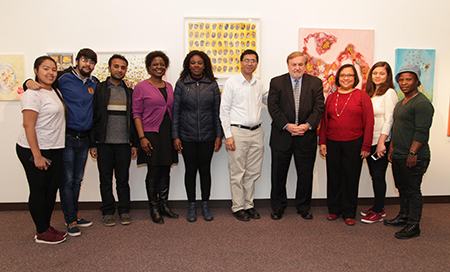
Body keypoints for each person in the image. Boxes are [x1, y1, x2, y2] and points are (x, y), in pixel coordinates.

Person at [24, 48, 98, 236]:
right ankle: (70, 219)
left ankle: (74, 214)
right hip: (66, 138)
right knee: (66, 181)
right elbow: (42, 83)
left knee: (77, 180)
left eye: (91, 62)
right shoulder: (63, 78)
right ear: (78, 61)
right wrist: (27, 82)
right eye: (84, 60)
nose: (87, 64)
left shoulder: (94, 83)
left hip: (85, 138)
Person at [268, 51, 324, 220]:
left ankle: (304, 207)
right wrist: (287, 126)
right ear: (288, 65)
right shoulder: (277, 82)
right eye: (294, 64)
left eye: (300, 64)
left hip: (306, 136)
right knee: (278, 175)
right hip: (282, 136)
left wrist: (307, 126)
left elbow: (319, 108)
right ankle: (278, 207)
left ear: (305, 66)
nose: (297, 67)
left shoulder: (315, 83)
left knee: (305, 175)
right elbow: (273, 107)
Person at [16, 56, 67, 244]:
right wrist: (36, 155)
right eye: (46, 68)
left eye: (54, 69)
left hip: (54, 147)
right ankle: (41, 232)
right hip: (34, 149)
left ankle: (45, 225)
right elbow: (29, 126)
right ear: (36, 70)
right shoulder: (32, 93)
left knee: (51, 189)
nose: (51, 72)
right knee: (39, 190)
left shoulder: (53, 90)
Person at [319, 64, 374, 226]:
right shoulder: (331, 97)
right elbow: (325, 121)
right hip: (332, 142)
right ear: (338, 78)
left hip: (354, 143)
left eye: (350, 75)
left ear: (355, 78)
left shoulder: (362, 96)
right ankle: (334, 209)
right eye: (343, 75)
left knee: (350, 178)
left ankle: (349, 212)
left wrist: (366, 146)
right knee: (334, 177)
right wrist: (322, 142)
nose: (346, 78)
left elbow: (369, 122)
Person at [172, 50, 223, 222]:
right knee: (190, 171)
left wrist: (218, 135)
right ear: (188, 65)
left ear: (205, 65)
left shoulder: (212, 85)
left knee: (205, 171)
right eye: (193, 62)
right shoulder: (181, 84)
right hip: (186, 135)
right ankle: (192, 206)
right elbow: (176, 112)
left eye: (199, 63)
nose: (196, 65)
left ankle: (206, 206)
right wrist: (175, 136)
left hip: (208, 135)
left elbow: (217, 112)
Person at [384, 64, 434, 239]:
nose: (404, 83)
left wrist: (413, 153)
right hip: (398, 154)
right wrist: (392, 148)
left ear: (417, 81)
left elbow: (422, 131)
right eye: (401, 79)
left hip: (414, 156)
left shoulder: (422, 103)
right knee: (402, 188)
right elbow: (397, 127)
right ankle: (404, 217)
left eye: (408, 79)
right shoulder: (401, 103)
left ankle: (414, 225)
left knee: (413, 191)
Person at [89, 54, 138, 227]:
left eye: (123, 67)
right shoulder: (99, 89)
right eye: (116, 66)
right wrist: (92, 143)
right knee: (105, 179)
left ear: (126, 70)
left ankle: (124, 210)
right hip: (103, 143)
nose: (119, 70)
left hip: (124, 143)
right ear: (109, 68)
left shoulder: (129, 91)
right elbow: (94, 116)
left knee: (123, 180)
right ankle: (108, 211)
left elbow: (134, 118)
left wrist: (134, 143)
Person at [220, 49, 268, 222]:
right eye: (246, 60)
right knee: (237, 172)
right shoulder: (232, 83)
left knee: (253, 172)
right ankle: (238, 207)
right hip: (237, 132)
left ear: (257, 63)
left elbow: (270, 101)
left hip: (257, 132)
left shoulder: (259, 84)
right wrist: (228, 136)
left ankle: (249, 205)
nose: (250, 63)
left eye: (253, 60)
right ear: (240, 62)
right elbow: (223, 110)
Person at [133, 51, 178, 224]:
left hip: (167, 133)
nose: (159, 67)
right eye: (155, 64)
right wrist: (141, 137)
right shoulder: (141, 87)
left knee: (166, 169)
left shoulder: (169, 87)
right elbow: (136, 114)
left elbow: (172, 110)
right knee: (153, 171)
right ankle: (153, 208)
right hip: (150, 133)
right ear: (149, 67)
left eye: (162, 64)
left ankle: (164, 205)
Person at [360, 61, 398, 224]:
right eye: (375, 73)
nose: (378, 76)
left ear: (388, 76)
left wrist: (383, 142)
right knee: (374, 175)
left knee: (378, 176)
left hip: (380, 141)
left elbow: (390, 119)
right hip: (369, 140)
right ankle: (378, 206)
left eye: (382, 73)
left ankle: (378, 211)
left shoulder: (389, 93)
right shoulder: (370, 93)